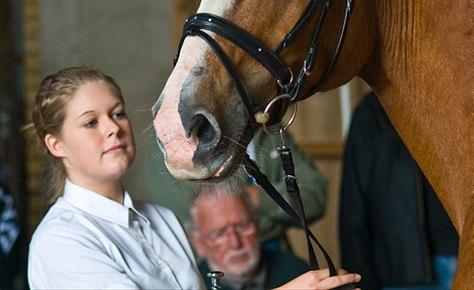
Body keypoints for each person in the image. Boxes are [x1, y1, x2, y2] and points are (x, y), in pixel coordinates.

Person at [26, 66, 360, 290]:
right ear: (56, 144)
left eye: (118, 113)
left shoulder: (161, 219)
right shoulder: (61, 242)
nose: (113, 128)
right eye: (90, 122)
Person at [339, 93, 459, 290]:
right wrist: (360, 282)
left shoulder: (463, 99)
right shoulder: (373, 112)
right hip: (401, 272)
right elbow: (353, 209)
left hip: (470, 256)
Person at [188, 185, 311, 290]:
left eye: (242, 226)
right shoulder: (186, 284)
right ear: (198, 243)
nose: (236, 243)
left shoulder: (296, 271)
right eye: (219, 234)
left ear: (257, 224)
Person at [247, 131, 327, 251]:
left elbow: (314, 199)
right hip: (216, 260)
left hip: (277, 250)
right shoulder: (210, 133)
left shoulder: (271, 129)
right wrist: (279, 217)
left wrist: (257, 197)